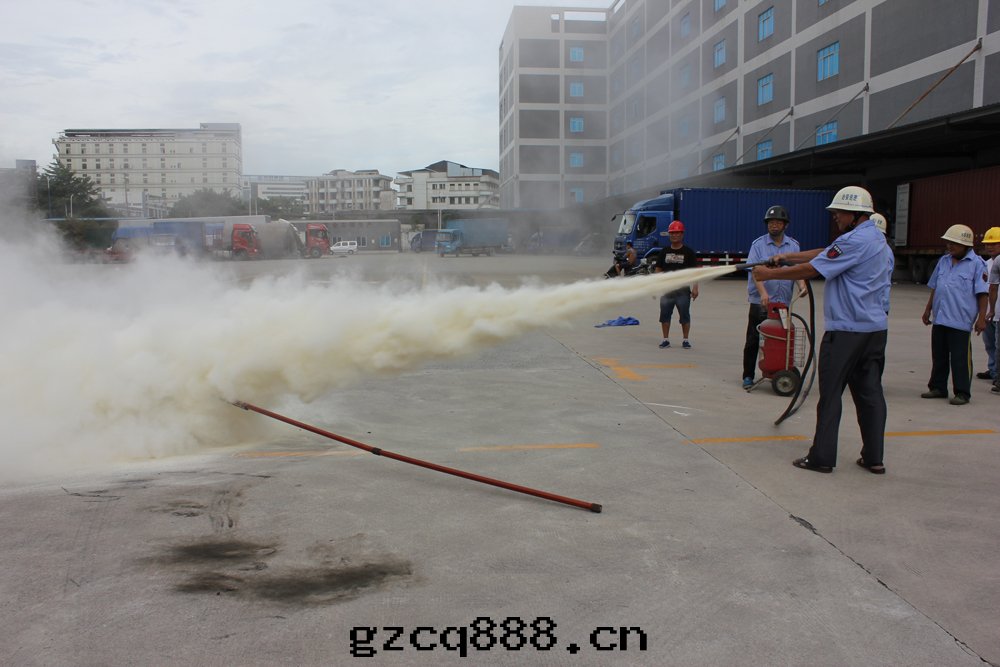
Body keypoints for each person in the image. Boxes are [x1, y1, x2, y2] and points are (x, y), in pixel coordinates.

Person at [752, 186, 890, 475]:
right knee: (870, 395)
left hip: (846, 332)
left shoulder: (853, 240)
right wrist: (789, 256)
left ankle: (822, 457)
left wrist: (770, 273)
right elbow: (827, 254)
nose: (835, 217)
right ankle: (874, 457)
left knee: (830, 395)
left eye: (839, 212)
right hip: (874, 331)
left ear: (854, 214)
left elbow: (814, 269)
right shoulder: (876, 238)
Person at [920, 224, 989, 405]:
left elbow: (983, 294)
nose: (950, 246)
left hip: (960, 320)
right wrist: (928, 309)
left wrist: (982, 318)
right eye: (948, 243)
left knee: (960, 359)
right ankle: (938, 387)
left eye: (954, 244)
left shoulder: (977, 265)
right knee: (939, 356)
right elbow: (936, 287)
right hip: (940, 317)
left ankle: (962, 392)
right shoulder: (943, 261)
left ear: (966, 245)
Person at [742, 205, 807, 389]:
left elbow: (798, 270)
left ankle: (780, 370)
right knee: (754, 339)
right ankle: (748, 375)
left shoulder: (793, 245)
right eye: (771, 222)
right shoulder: (758, 245)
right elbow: (755, 271)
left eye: (778, 222)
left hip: (783, 304)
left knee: (782, 338)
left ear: (785, 225)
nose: (774, 225)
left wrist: (802, 286)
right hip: (761, 303)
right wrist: (763, 293)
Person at [653, 220, 698, 349]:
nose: (674, 235)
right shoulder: (664, 251)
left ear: (682, 234)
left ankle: (685, 340)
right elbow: (658, 269)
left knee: (684, 316)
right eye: (672, 233)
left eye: (677, 233)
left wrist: (695, 288)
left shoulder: (688, 252)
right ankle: (665, 339)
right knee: (665, 316)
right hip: (667, 290)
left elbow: (695, 272)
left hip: (683, 291)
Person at [977, 227, 1000, 382]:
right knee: (989, 343)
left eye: (994, 244)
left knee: (999, 346)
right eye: (987, 244)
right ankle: (993, 369)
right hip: (988, 312)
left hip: (998, 311)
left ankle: (997, 373)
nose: (990, 247)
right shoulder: (985, 264)